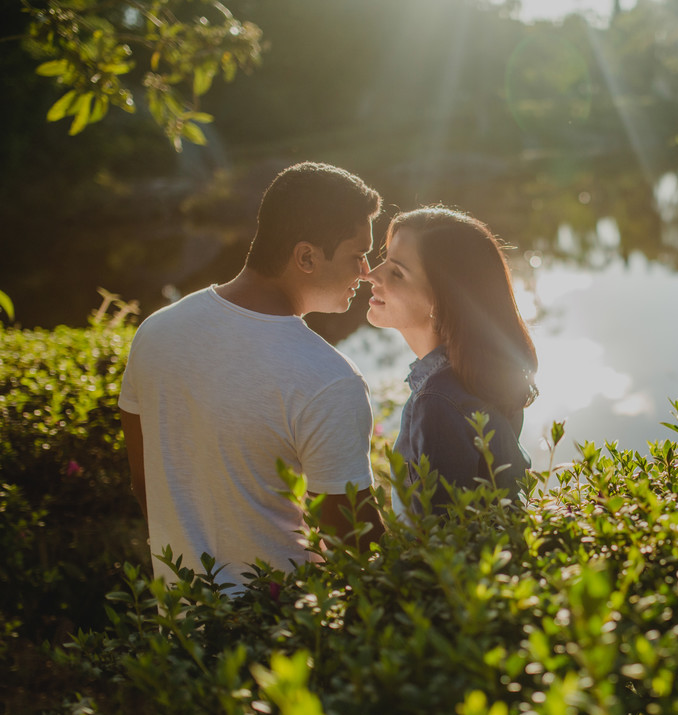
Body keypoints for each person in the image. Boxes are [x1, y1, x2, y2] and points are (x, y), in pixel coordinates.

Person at [119, 161, 383, 592]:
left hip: (180, 621)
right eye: (358, 255)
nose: (367, 271)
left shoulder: (155, 332)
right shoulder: (329, 380)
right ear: (306, 256)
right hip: (284, 626)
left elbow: (144, 481)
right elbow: (357, 549)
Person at [362, 206, 538, 511]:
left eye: (397, 272)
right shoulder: (481, 374)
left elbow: (444, 531)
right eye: (384, 260)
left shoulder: (438, 402)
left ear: (442, 299)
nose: (371, 275)